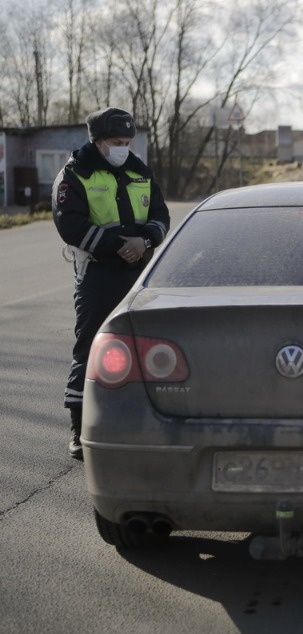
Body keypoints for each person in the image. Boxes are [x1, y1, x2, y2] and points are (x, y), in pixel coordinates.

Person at [53, 107, 170, 460]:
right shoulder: (75, 173)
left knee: (149, 347)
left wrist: (145, 241)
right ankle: (79, 428)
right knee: (90, 347)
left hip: (139, 274)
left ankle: (147, 422)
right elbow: (70, 224)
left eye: (128, 141)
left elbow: (161, 215)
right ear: (99, 142)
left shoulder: (139, 170)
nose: (124, 148)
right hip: (98, 274)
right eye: (117, 142)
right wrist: (120, 245)